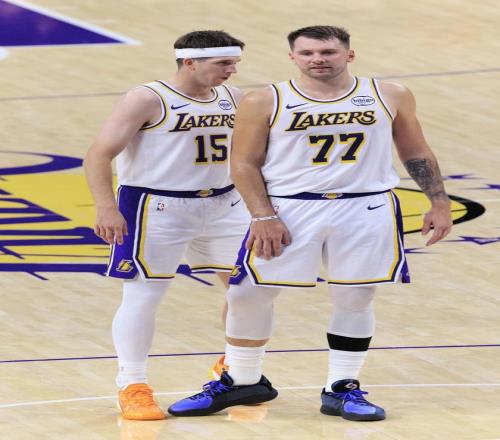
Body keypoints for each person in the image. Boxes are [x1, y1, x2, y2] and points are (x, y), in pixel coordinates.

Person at [168, 25, 453, 421]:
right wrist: (262, 215)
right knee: (248, 292)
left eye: (327, 52)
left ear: (349, 55)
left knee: (356, 296)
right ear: (293, 58)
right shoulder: (265, 100)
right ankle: (243, 380)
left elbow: (416, 150)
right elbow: (243, 163)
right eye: (307, 53)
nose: (317, 59)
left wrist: (439, 201)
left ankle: (341, 387)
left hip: (365, 207)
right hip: (290, 208)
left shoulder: (390, 94)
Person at [83, 30, 248, 420]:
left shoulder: (234, 97)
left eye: (235, 62)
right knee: (144, 295)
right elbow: (98, 154)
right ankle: (132, 384)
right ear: (189, 62)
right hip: (156, 205)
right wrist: (106, 206)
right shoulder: (148, 98)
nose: (232, 70)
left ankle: (237, 370)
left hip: (224, 203)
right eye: (224, 63)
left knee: (249, 291)